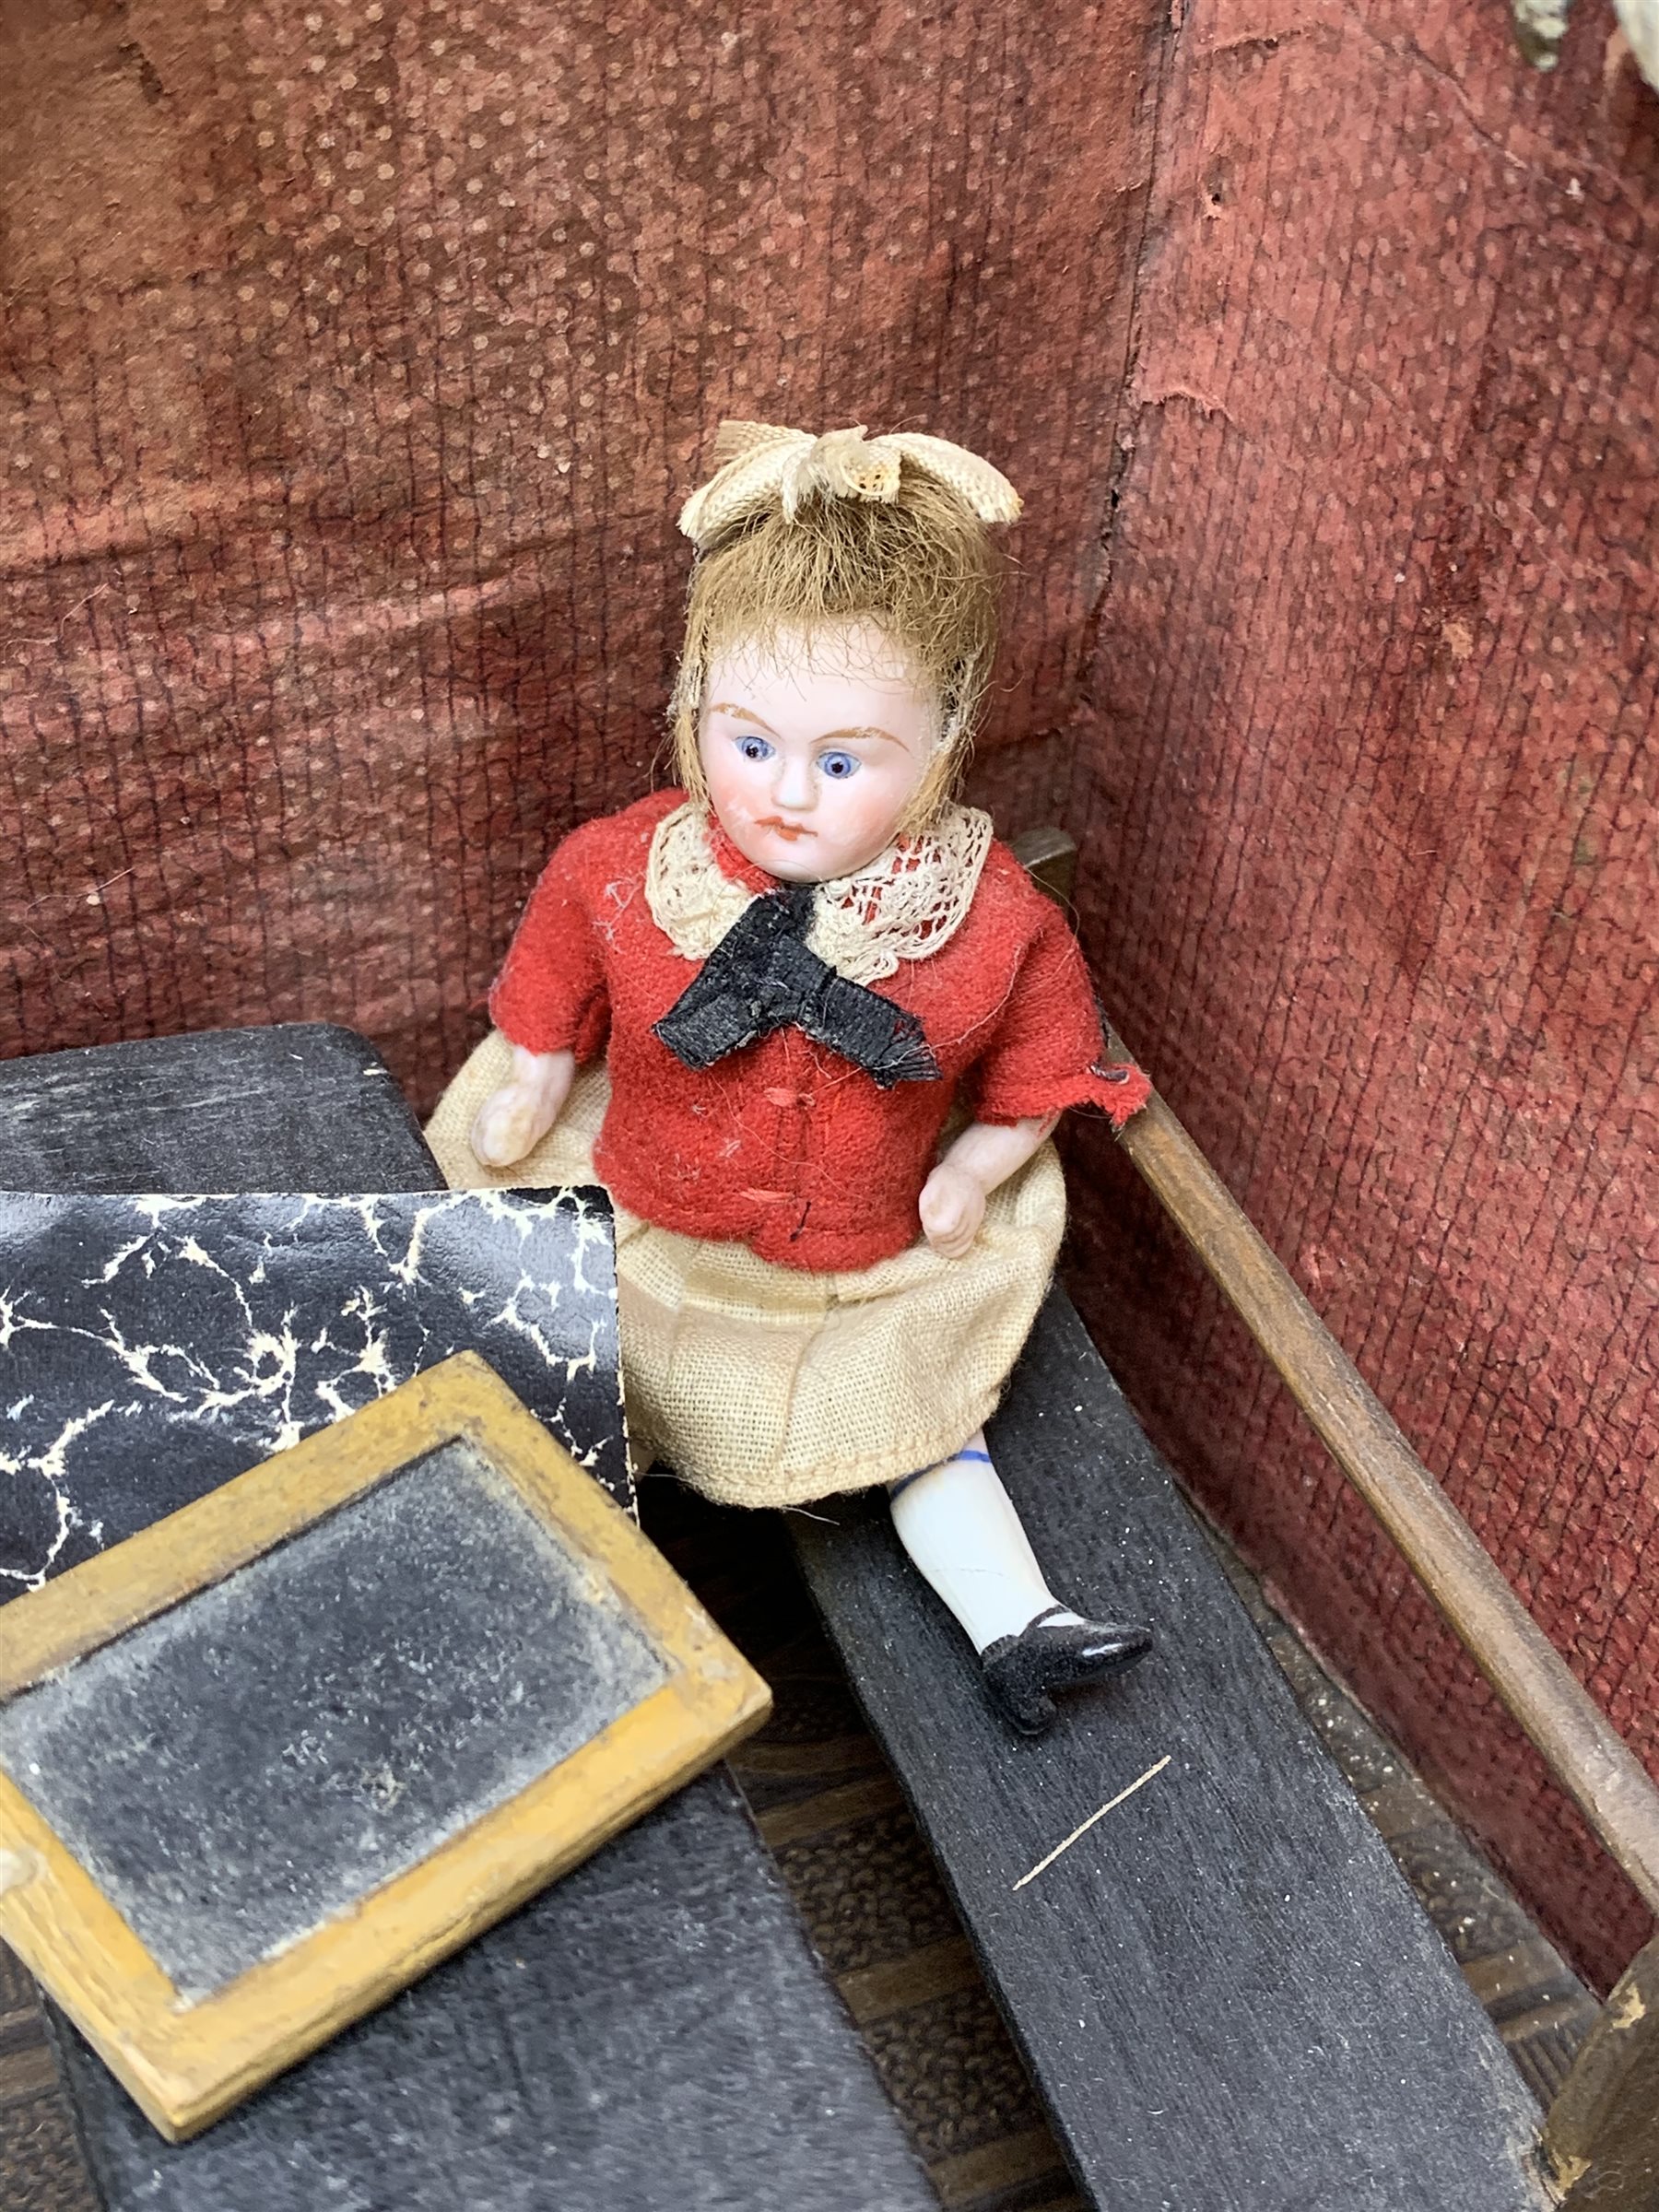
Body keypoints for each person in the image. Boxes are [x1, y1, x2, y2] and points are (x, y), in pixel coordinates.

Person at [424, 421, 1153, 1734]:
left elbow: (1045, 1064)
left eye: (841, 761)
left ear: (942, 739)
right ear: (696, 701)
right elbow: (558, 965)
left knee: (920, 1422)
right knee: (565, 1378)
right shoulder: (635, 868)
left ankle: (1018, 1626)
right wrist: (538, 1078)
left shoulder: (985, 921)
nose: (785, 797)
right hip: (645, 1213)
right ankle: (540, 1646)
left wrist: (978, 1171)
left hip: (859, 1256)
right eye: (747, 742)